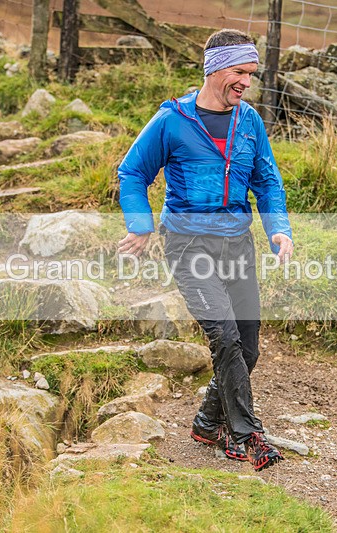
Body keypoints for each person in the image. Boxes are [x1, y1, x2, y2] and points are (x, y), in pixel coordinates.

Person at [117, 29, 294, 472]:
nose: (246, 83)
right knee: (225, 337)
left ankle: (206, 421)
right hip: (188, 244)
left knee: (248, 347)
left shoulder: (249, 120)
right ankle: (247, 434)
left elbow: (268, 181)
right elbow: (133, 173)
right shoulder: (172, 121)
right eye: (239, 72)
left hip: (237, 243)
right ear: (215, 69)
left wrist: (279, 229)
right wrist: (140, 226)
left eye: (251, 75)